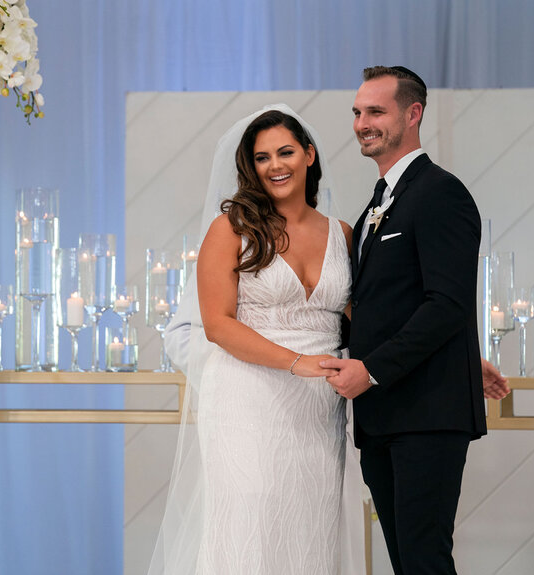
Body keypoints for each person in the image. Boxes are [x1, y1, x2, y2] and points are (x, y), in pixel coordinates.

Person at [149, 105, 365, 574]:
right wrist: (297, 361)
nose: (275, 165)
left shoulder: (343, 234)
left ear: (308, 154)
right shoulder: (231, 230)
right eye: (262, 157)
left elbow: (366, 320)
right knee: (248, 523)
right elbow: (218, 325)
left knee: (311, 530)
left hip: (317, 411)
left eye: (285, 152)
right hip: (246, 401)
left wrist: (458, 360)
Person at [321, 66, 509, 575]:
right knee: (406, 560)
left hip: (425, 414)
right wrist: (467, 356)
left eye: (376, 111)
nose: (363, 122)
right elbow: (388, 302)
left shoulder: (440, 193)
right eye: (358, 112)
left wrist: (372, 369)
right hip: (384, 414)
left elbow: (446, 304)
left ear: (413, 113)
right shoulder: (376, 205)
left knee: (425, 560)